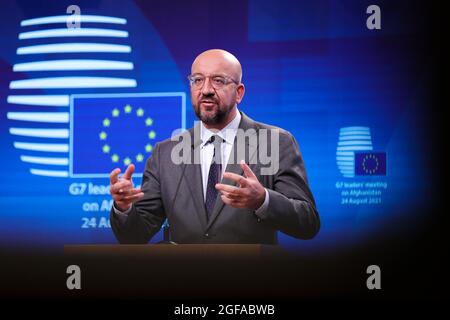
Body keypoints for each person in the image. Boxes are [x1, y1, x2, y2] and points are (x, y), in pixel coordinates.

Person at [109, 49, 320, 244]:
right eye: (197, 80)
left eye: (218, 81)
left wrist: (263, 200)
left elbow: (307, 222)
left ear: (239, 92)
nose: (206, 90)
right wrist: (124, 207)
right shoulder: (165, 153)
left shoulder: (274, 141)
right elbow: (134, 235)